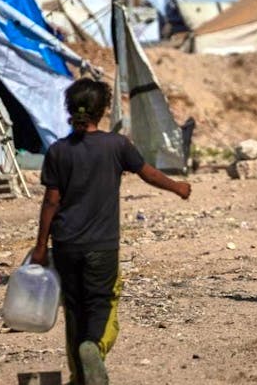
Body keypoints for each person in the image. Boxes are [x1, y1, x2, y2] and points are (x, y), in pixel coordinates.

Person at [30, 78, 191, 385]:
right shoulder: (116, 145)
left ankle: (79, 374)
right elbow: (150, 174)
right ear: (103, 110)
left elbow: (51, 202)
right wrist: (178, 187)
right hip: (101, 247)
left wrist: (40, 246)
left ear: (69, 109)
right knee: (103, 303)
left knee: (75, 310)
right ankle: (95, 348)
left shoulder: (58, 151)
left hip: (66, 246)